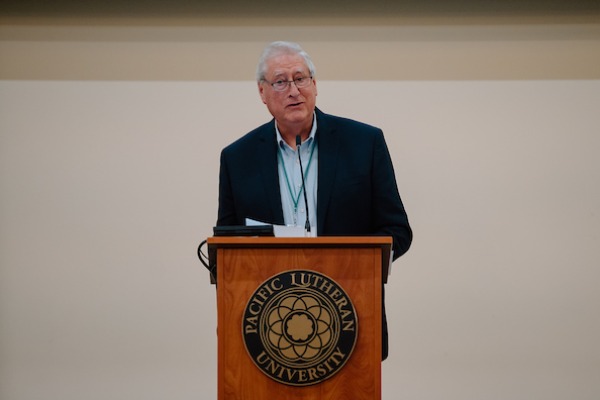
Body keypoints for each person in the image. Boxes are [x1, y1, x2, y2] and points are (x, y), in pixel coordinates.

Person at [216, 41, 412, 360]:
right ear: (263, 92)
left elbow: (398, 231)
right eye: (280, 81)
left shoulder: (364, 144)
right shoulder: (238, 158)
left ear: (315, 86)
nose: (293, 90)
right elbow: (227, 246)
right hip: (267, 332)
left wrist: (353, 262)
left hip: (350, 322)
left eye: (301, 78)